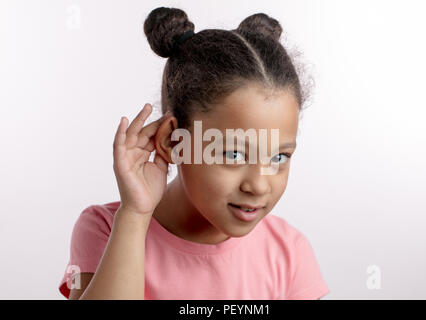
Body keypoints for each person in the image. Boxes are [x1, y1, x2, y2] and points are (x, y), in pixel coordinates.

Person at [58, 6, 330, 300]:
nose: (259, 185)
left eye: (278, 158)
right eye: (234, 155)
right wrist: (135, 215)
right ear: (175, 141)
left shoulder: (289, 253)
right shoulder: (107, 229)